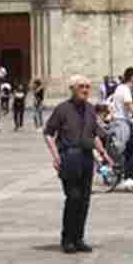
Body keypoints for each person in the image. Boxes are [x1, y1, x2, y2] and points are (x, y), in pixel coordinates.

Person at [44, 75, 114, 253]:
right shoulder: (62, 109)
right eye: (82, 86)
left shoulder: (90, 109)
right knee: (73, 197)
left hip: (86, 158)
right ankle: (67, 239)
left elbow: (94, 135)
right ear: (72, 89)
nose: (85, 90)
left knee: (84, 200)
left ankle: (79, 238)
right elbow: (48, 133)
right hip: (69, 157)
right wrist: (55, 155)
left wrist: (104, 154)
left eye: (88, 87)